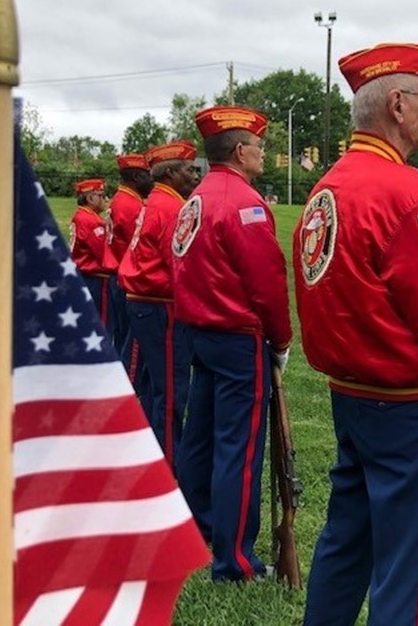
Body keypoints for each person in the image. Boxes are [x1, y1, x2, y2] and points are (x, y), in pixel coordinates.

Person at [293, 43, 418, 625]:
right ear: (399, 105)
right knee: (409, 566)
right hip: (402, 406)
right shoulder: (409, 195)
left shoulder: (327, 186)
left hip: (348, 393)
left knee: (346, 540)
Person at [173, 106, 292, 582]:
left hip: (199, 332)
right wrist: (280, 339)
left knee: (199, 438)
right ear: (241, 151)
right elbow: (267, 282)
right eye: (260, 147)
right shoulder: (244, 203)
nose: (264, 154)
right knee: (237, 450)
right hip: (236, 337)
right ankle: (236, 560)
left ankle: (200, 527)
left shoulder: (197, 197)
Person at [117, 141, 200, 468]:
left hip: (145, 302)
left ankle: (151, 453)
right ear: (169, 174)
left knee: (155, 385)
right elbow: (178, 262)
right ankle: (169, 465)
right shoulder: (171, 207)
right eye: (188, 170)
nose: (194, 175)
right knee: (171, 389)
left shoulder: (158, 201)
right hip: (159, 303)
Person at [109, 153, 154, 403]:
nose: (152, 178)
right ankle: (127, 396)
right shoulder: (129, 204)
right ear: (137, 176)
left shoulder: (125, 199)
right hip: (128, 280)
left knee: (126, 339)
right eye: (147, 174)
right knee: (133, 345)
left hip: (120, 277)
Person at [69, 178, 117, 334]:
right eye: (101, 196)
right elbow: (103, 254)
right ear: (90, 198)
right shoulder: (91, 220)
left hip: (84, 273)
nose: (106, 200)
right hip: (95, 277)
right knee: (101, 323)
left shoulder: (81, 215)